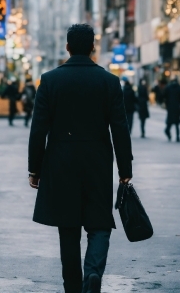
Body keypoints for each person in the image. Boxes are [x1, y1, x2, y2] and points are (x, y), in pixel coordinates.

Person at [28, 24, 133, 293]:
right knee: (99, 223)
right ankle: (93, 273)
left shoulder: (50, 81)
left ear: (67, 47)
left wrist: (34, 169)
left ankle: (73, 288)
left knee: (68, 227)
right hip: (97, 162)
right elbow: (120, 128)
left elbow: (39, 129)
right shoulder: (109, 81)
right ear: (93, 48)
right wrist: (125, 168)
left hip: (60, 162)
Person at [163, 77, 180, 142]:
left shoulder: (168, 88)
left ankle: (168, 131)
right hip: (177, 107)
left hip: (170, 107)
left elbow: (163, 96)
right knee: (177, 123)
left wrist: (166, 103)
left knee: (170, 122)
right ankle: (177, 136)